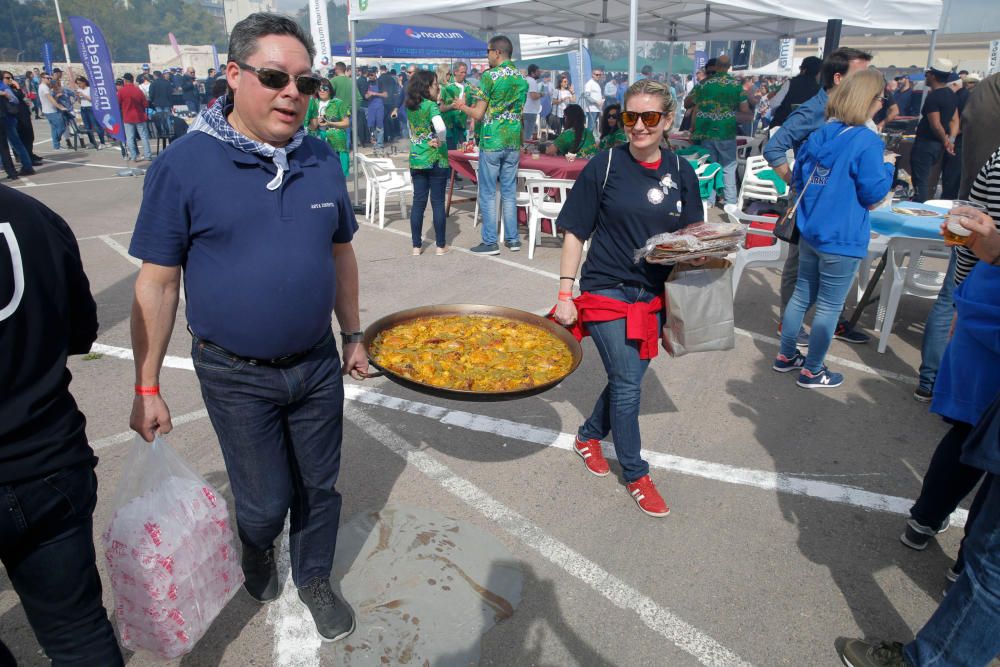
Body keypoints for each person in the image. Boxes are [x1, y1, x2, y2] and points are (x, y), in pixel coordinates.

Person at [127, 12, 365, 643]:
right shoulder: (184, 164)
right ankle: (256, 544)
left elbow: (341, 252)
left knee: (319, 487)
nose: (292, 93)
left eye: (306, 82)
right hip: (236, 374)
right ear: (233, 76)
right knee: (263, 502)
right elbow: (156, 281)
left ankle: (314, 575)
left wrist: (353, 335)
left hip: (315, 364)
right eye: (274, 77)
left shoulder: (320, 158)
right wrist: (146, 386)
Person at [836, 209, 1000, 667]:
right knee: (988, 553)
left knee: (992, 568)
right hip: (983, 306)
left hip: (982, 310)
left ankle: (935, 537)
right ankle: (951, 554)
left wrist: (964, 294)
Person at [552, 79, 703, 517]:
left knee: (626, 378)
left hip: (654, 295)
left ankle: (587, 435)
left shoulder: (682, 170)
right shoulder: (604, 166)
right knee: (628, 384)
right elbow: (575, 231)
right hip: (605, 289)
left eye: (650, 117)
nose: (638, 126)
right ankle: (637, 473)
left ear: (668, 120)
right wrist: (565, 293)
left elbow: (693, 236)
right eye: (630, 117)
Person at [0, 185, 124, 666]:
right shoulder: (33, 215)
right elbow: (80, 332)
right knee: (77, 630)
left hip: (47, 461)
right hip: (49, 462)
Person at [773, 69, 894, 388]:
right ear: (868, 100)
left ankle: (787, 355)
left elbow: (798, 178)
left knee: (802, 295)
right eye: (881, 98)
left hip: (811, 229)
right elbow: (873, 193)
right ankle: (812, 370)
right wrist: (889, 168)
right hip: (842, 236)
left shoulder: (822, 133)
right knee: (828, 305)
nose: (881, 105)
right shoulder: (865, 140)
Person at [763, 47, 874, 346]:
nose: (867, 83)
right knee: (799, 266)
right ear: (839, 78)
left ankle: (832, 321)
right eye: (860, 76)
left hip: (842, 207)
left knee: (830, 268)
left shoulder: (852, 112)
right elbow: (773, 147)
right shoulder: (815, 109)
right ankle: (790, 326)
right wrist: (797, 183)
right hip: (811, 206)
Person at [455, 34, 528, 255]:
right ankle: (512, 239)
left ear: (497, 52)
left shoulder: (490, 77)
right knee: (508, 191)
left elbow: (477, 114)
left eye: (488, 51)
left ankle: (490, 242)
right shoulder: (521, 79)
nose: (486, 56)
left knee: (487, 192)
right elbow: (521, 114)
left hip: (492, 139)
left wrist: (461, 106)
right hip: (513, 140)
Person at [687, 54, 748, 207]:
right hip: (726, 130)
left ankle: (708, 201)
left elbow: (687, 102)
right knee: (728, 167)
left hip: (707, 131)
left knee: (710, 165)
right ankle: (731, 203)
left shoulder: (703, 84)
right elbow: (745, 110)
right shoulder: (735, 85)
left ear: (716, 67)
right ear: (728, 67)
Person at [405, 70, 450, 256]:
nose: (437, 87)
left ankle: (416, 246)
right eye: (434, 84)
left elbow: (411, 132)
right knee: (438, 202)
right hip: (435, 158)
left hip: (416, 158)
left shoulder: (409, 106)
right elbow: (440, 127)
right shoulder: (431, 106)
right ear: (425, 87)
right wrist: (441, 139)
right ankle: (440, 246)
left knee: (418, 203)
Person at [910, 60, 959, 203]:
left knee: (921, 180)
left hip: (926, 143)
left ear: (933, 75)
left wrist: (946, 142)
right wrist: (950, 141)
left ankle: (920, 206)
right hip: (937, 146)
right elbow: (955, 120)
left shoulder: (934, 97)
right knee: (926, 179)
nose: (926, 76)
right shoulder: (951, 94)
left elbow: (935, 124)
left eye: (927, 74)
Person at [306, 78, 350, 176]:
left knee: (339, 172)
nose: (322, 90)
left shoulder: (338, 103)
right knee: (322, 170)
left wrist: (329, 123)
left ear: (330, 89)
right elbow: (311, 125)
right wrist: (316, 122)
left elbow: (346, 123)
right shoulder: (313, 103)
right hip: (318, 137)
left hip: (337, 141)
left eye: (325, 88)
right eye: (319, 88)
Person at [769, 56, 822, 128]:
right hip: (805, 130)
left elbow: (774, 103)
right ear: (818, 72)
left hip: (783, 127)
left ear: (803, 70)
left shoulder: (791, 83)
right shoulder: (819, 90)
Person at [0, 72, 36, 175]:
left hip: (8, 119)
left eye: (10, 78)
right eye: (7, 78)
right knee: (7, 144)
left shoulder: (4, 87)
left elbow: (15, 100)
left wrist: (6, 95)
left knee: (15, 144)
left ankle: (27, 166)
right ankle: (5, 165)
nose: (9, 80)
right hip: (6, 119)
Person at [119, 72, 152, 162]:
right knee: (144, 136)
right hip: (139, 116)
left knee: (130, 137)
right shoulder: (138, 90)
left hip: (127, 116)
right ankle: (147, 155)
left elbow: (118, 103)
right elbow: (145, 104)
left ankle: (134, 156)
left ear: (125, 81)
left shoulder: (121, 91)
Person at [439, 61, 469, 150]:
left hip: (462, 127)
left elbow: (472, 105)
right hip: (449, 127)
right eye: (462, 72)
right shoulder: (446, 87)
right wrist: (453, 106)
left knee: (462, 153)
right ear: (455, 72)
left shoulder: (468, 86)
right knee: (450, 154)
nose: (464, 74)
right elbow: (441, 108)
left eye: (465, 72)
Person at [74, 75, 106, 150]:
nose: (79, 85)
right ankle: (92, 142)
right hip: (83, 109)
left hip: (90, 108)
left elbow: (92, 100)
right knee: (87, 127)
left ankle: (102, 142)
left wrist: (83, 95)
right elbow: (79, 102)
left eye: (80, 83)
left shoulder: (90, 89)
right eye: (77, 83)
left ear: (84, 82)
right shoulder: (79, 90)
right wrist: (78, 96)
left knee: (96, 125)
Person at [38, 71, 67, 151]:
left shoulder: (46, 87)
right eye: (48, 78)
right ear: (42, 78)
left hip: (50, 109)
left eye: (50, 78)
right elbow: (50, 99)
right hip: (50, 111)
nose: (49, 80)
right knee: (61, 127)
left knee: (54, 128)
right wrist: (59, 107)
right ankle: (56, 143)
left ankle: (56, 146)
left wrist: (57, 97)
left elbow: (52, 98)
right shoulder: (43, 87)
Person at [364, 69, 387, 153]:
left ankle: (380, 144)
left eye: (372, 75)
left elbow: (385, 94)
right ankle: (375, 142)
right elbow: (365, 96)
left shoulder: (380, 83)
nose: (370, 76)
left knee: (380, 125)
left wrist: (374, 94)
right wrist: (367, 95)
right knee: (371, 125)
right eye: (369, 75)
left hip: (379, 106)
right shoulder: (367, 84)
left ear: (375, 74)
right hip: (370, 107)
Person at [522, 64, 543, 141]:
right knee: (527, 136)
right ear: (533, 72)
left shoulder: (526, 80)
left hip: (525, 110)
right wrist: (541, 94)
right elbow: (533, 96)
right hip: (530, 111)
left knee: (524, 134)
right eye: (538, 71)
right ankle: (524, 150)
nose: (539, 73)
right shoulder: (532, 81)